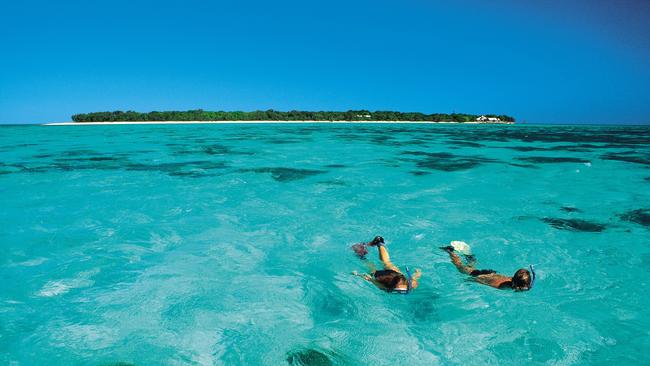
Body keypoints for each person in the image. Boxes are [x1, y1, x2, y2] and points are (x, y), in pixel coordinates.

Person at [440, 245, 535, 291]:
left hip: (492, 274)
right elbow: (481, 280)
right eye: (520, 288)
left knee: (471, 267)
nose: (523, 290)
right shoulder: (498, 286)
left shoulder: (521, 284)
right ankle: (450, 251)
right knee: (461, 268)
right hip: (482, 276)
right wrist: (469, 280)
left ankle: (470, 257)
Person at [352, 236, 421, 294]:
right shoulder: (384, 287)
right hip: (382, 275)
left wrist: (417, 273)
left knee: (385, 263)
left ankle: (379, 243)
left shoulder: (412, 284)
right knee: (378, 265)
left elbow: (413, 279)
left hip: (393, 273)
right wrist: (356, 274)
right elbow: (369, 278)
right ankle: (364, 255)